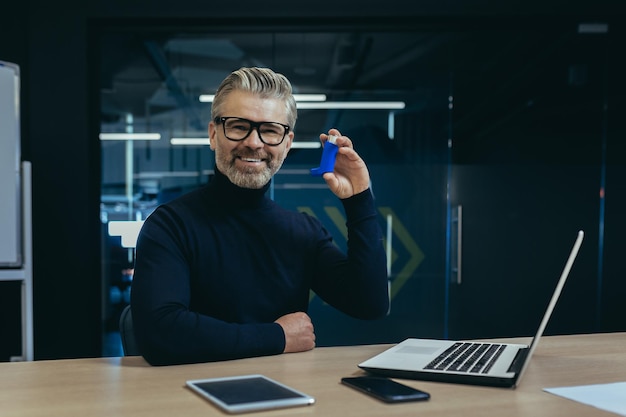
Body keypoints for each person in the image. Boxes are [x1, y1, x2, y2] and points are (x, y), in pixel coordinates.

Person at [130, 66, 389, 366]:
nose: (254, 142)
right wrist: (277, 336)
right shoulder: (170, 226)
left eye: (269, 130)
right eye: (239, 126)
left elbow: (369, 303)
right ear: (214, 134)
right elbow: (159, 334)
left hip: (284, 400)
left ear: (287, 143)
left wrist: (359, 199)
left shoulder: (301, 233)